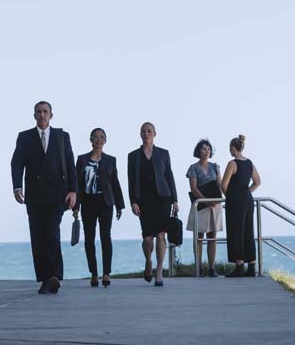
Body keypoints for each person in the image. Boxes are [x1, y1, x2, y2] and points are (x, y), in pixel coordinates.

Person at [11, 101, 77, 295]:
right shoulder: (24, 137)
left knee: (51, 233)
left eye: (45, 112)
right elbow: (16, 163)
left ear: (51, 115)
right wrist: (17, 187)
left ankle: (55, 275)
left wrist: (73, 190)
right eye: (38, 112)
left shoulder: (62, 137)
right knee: (38, 237)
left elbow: (70, 165)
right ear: (34, 116)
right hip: (34, 195)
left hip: (57, 194)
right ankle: (45, 279)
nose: (42, 115)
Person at [127, 122, 178, 287]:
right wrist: (133, 201)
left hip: (163, 198)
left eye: (149, 131)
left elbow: (169, 176)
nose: (146, 133)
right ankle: (149, 261)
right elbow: (131, 180)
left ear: (155, 133)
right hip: (144, 200)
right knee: (148, 238)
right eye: (143, 131)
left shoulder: (163, 153)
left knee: (161, 235)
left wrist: (175, 200)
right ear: (140, 134)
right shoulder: (133, 156)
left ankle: (159, 271)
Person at [73, 127, 124, 288]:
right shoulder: (81, 160)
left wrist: (119, 205)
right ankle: (94, 273)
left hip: (105, 202)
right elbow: (77, 185)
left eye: (102, 137)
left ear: (105, 140)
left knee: (105, 237)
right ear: (90, 139)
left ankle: (106, 273)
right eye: (95, 137)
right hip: (87, 202)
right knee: (89, 239)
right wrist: (75, 206)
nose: (98, 140)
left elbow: (115, 183)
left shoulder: (110, 160)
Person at [220, 134, 261, 277]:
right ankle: (251, 266)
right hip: (248, 200)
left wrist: (231, 197)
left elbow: (223, 185)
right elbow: (257, 182)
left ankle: (239, 266)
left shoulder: (232, 163)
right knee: (248, 232)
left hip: (235, 201)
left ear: (233, 148)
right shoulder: (250, 163)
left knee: (235, 232)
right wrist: (246, 193)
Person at [186, 139, 223, 277]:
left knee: (212, 236)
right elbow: (193, 188)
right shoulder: (193, 168)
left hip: (215, 205)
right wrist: (206, 201)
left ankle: (211, 268)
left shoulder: (215, 167)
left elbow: (220, 184)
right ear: (198, 151)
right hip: (201, 205)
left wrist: (222, 198)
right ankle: (199, 267)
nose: (206, 151)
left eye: (208, 148)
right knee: (199, 236)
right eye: (203, 148)